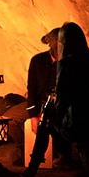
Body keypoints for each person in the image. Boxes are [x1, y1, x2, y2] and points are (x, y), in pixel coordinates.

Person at [10, 22, 89, 177]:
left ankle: (30, 174)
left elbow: (63, 99)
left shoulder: (67, 64)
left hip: (78, 124)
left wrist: (49, 114)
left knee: (46, 124)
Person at [24, 27, 77, 169]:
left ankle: (63, 156)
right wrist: (33, 115)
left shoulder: (68, 64)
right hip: (40, 104)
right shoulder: (37, 61)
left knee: (52, 122)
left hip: (58, 106)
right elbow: (32, 89)